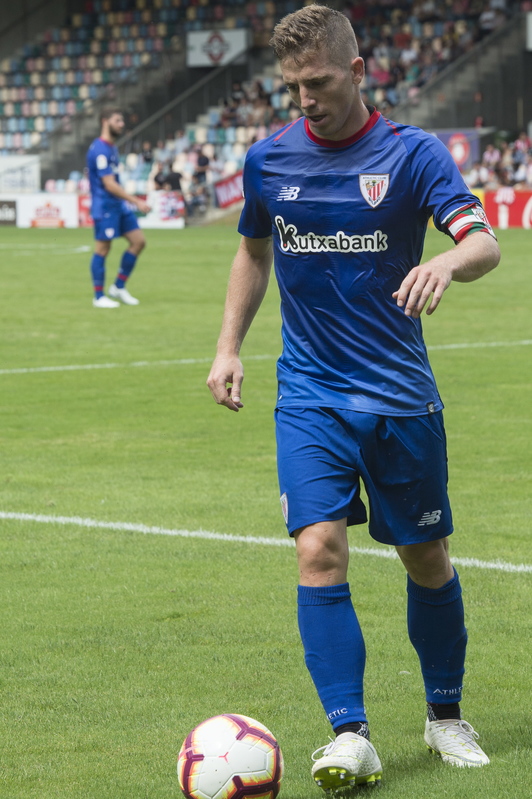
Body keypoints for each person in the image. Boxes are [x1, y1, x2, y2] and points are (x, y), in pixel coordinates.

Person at [207, 4, 501, 791]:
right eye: (293, 85)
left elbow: (483, 239)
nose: (305, 98)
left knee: (425, 557)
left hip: (399, 397)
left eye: (320, 81)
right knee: (317, 549)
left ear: (358, 69)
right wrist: (229, 345)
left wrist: (447, 264)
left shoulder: (412, 155)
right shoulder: (268, 161)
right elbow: (253, 252)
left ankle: (445, 716)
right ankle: (350, 731)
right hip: (308, 395)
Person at [86, 108, 150, 308]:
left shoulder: (111, 147)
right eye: (117, 120)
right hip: (105, 206)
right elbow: (109, 184)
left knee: (138, 241)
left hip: (118, 206)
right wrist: (136, 200)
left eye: (122, 120)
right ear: (105, 121)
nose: (122, 124)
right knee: (103, 249)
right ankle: (98, 297)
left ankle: (118, 287)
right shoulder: (100, 149)